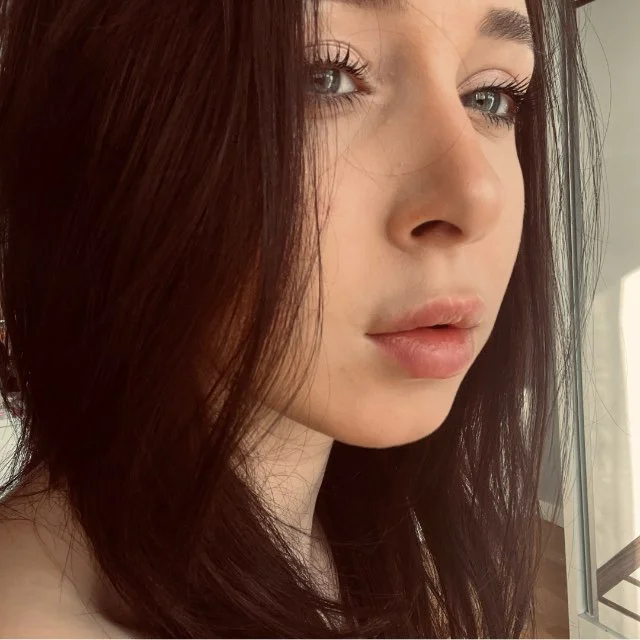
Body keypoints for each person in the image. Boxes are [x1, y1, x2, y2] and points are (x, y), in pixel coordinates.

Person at [0, 0, 597, 637]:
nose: (476, 197)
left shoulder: (366, 530)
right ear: (101, 117)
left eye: (490, 97)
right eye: (324, 76)